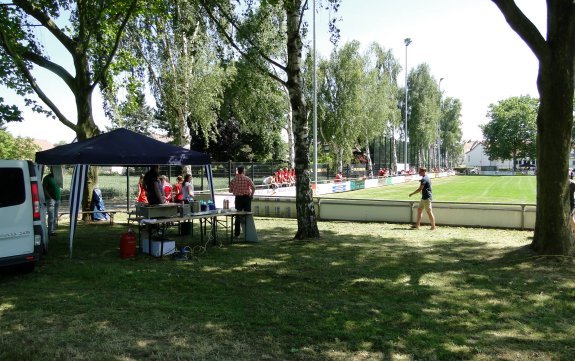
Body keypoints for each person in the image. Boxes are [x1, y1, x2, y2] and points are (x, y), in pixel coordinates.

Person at [229, 166, 255, 240]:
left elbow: (230, 190)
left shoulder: (233, 180)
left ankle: (237, 234)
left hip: (238, 199)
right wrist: (251, 195)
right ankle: (249, 234)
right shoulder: (247, 178)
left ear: (238, 171)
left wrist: (236, 189)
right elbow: (253, 187)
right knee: (248, 215)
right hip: (247, 198)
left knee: (238, 216)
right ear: (243, 171)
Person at [43, 168, 61, 236]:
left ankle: (53, 230)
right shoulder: (47, 178)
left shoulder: (57, 177)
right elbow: (44, 189)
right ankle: (50, 231)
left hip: (58, 199)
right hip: (50, 200)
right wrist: (50, 198)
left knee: (55, 215)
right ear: (51, 170)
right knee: (51, 216)